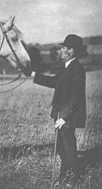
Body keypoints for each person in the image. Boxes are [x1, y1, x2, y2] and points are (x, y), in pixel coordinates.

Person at [32, 34, 86, 188]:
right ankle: (65, 175)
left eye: (64, 48)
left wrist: (63, 118)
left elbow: (76, 97)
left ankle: (73, 178)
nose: (61, 50)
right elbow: (55, 82)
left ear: (72, 51)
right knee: (62, 148)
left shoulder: (77, 70)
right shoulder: (66, 66)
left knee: (69, 148)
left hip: (69, 116)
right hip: (60, 114)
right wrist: (35, 75)